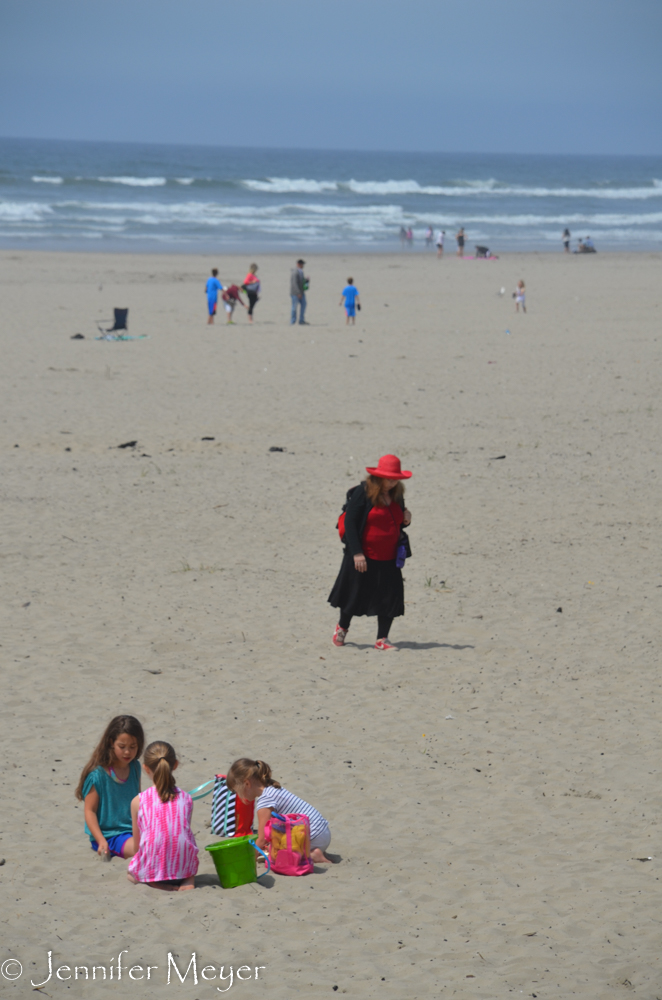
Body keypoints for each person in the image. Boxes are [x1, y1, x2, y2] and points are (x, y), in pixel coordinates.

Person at [329, 454, 412, 651]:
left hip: (389, 556)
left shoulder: (397, 494)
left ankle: (382, 639)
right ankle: (342, 628)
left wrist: (407, 520)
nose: (392, 483)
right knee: (353, 594)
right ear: (379, 476)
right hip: (362, 555)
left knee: (389, 597)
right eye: (388, 478)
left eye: (395, 479)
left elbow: (396, 522)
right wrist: (357, 553)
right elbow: (350, 522)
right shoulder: (363, 492)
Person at [226, 758, 332, 864]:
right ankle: (310, 850)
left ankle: (313, 855)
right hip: (323, 832)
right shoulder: (272, 788)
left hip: (314, 837)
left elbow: (262, 839)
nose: (238, 795)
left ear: (247, 784)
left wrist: (249, 858)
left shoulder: (265, 801)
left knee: (278, 858)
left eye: (237, 790)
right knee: (272, 847)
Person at [127, 741, 199, 891]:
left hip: (153, 870)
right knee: (183, 843)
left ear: (145, 768)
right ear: (175, 765)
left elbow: (137, 845)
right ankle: (188, 879)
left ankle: (154, 881)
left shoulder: (138, 801)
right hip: (182, 870)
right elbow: (184, 835)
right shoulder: (186, 798)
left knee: (130, 875)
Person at [76, 715, 145, 860]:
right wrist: (101, 840)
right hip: (111, 835)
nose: (127, 752)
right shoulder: (97, 776)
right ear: (111, 743)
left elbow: (137, 801)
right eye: (122, 747)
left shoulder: (135, 767)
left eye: (133, 747)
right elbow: (90, 811)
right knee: (144, 851)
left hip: (134, 829)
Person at [290, 258, 308, 324]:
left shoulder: (301, 272)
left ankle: (301, 320)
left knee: (304, 305)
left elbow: (302, 282)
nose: (303, 265)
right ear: (298, 264)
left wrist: (306, 281)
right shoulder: (295, 272)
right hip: (295, 293)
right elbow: (294, 283)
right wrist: (298, 293)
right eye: (302, 264)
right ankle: (292, 321)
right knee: (294, 307)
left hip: (301, 292)